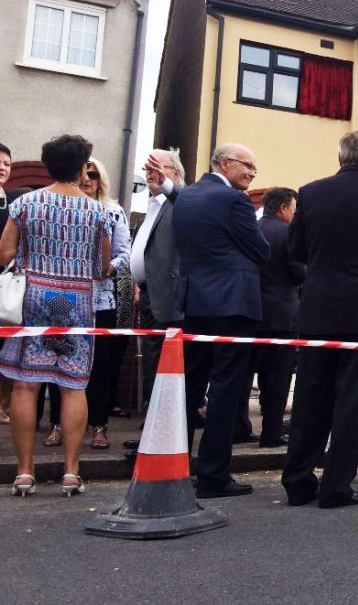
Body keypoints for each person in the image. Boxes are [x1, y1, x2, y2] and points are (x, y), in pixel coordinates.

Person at [282, 129, 358, 509]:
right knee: (349, 399)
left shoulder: (311, 192)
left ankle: (298, 480)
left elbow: (294, 249)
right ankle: (337, 485)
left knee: (310, 395)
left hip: (319, 307)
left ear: (340, 157)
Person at [0, 135, 110, 497]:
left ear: (48, 166)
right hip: (77, 302)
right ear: (82, 168)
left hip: (33, 298)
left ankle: (25, 473)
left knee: (25, 384)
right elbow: (102, 266)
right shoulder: (98, 211)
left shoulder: (26, 203)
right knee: (73, 385)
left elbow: (5, 253)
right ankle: (71, 472)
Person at [173, 143, 270, 498]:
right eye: (248, 166)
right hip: (233, 304)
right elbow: (261, 250)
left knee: (191, 387)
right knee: (227, 390)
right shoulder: (235, 201)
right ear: (225, 163)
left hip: (196, 303)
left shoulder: (186, 197)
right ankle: (214, 474)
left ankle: (175, 464)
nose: (252, 174)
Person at [43, 158, 131, 451]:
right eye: (83, 174)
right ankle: (57, 424)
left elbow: (124, 254)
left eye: (93, 175)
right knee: (60, 360)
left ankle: (99, 426)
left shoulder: (113, 211)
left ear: (101, 180)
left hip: (101, 298)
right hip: (65, 298)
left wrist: (106, 268)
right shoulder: (64, 209)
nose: (88, 179)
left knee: (101, 366)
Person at [123, 149, 186, 458]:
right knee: (151, 369)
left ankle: (160, 438)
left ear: (174, 173)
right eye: (146, 167)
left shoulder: (177, 204)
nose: (149, 173)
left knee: (164, 372)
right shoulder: (151, 206)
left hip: (168, 300)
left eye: (155, 167)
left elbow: (187, 202)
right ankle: (150, 434)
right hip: (147, 296)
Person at [244, 187, 305, 448]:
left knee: (244, 375)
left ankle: (239, 426)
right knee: (277, 378)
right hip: (281, 315)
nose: (294, 214)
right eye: (293, 209)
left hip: (250, 311)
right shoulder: (288, 233)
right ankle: (271, 431)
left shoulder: (251, 230)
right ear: (282, 208)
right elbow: (298, 272)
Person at [0, 143, 12, 425]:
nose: (3, 167)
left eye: (7, 163)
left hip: (7, 285)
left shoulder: (14, 203)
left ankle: (2, 404)